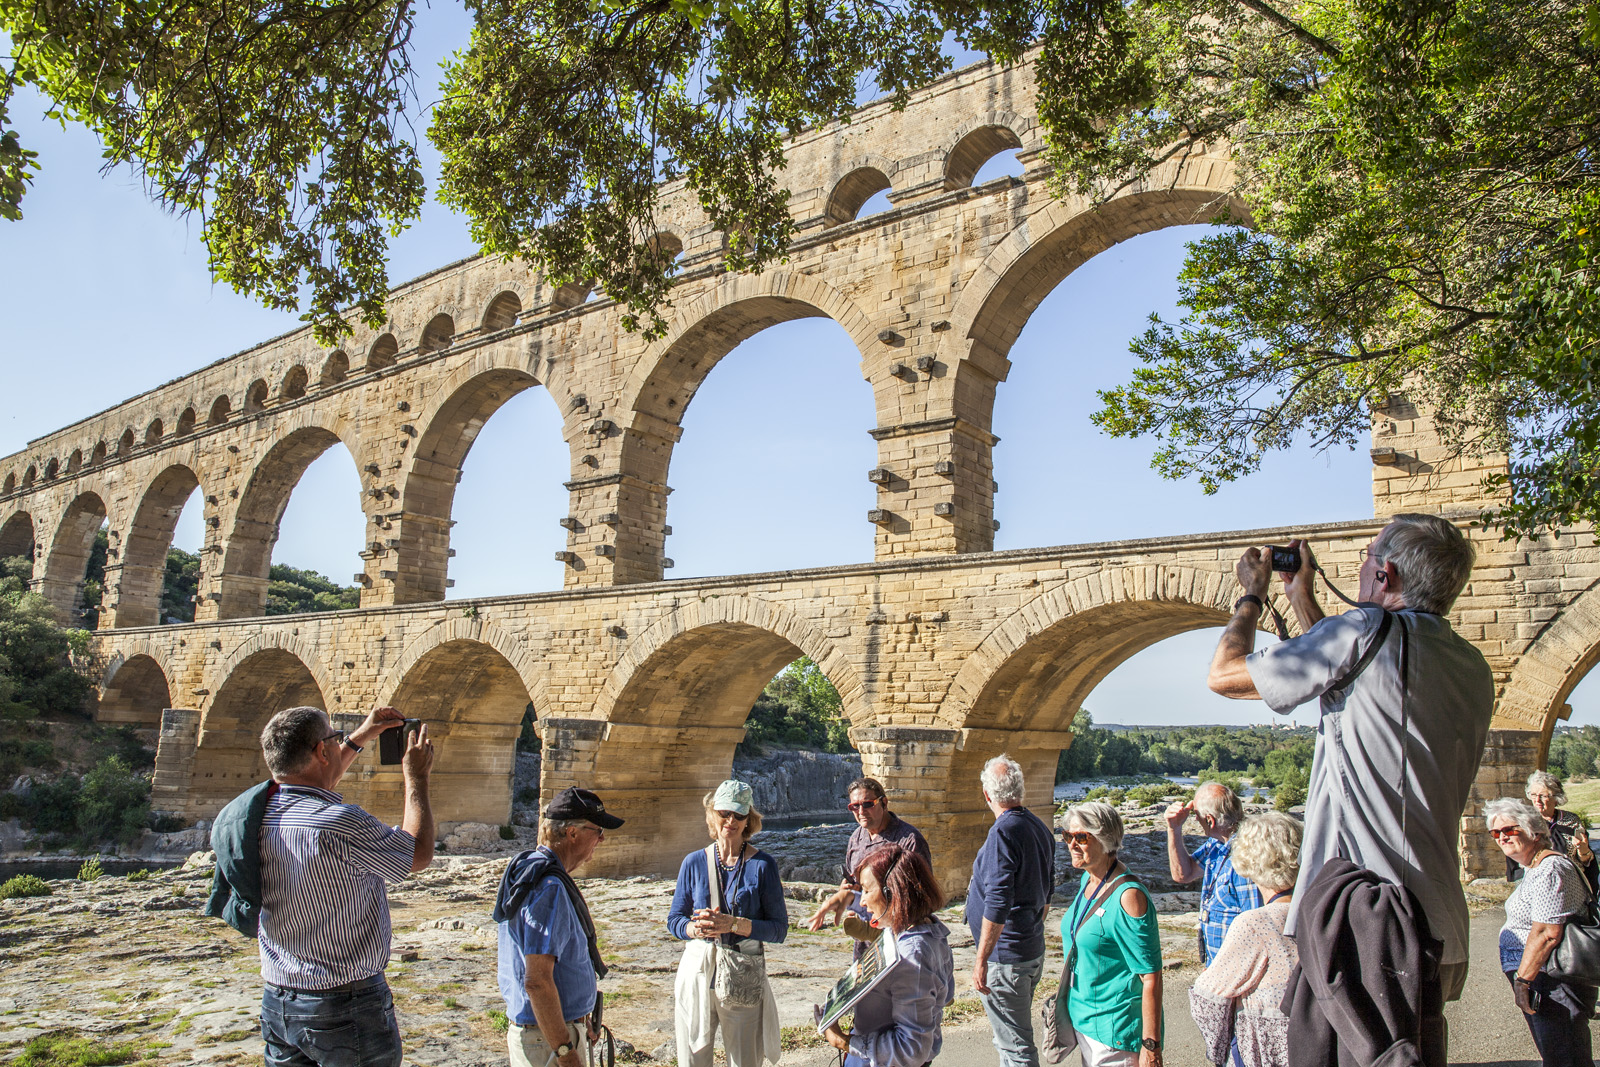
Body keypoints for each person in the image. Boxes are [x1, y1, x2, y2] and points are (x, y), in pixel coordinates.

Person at [1207, 512, 1494, 1007]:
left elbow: (1225, 675)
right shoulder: (1470, 663)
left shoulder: (1365, 628)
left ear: (1387, 576)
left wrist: (1251, 597)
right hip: (1439, 920)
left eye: (1366, 559)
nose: (1361, 569)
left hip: (1368, 925)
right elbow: (1348, 673)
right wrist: (1301, 595)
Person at [251, 705, 434, 1067]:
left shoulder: (258, 814)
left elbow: (314, 784)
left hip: (278, 999)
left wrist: (359, 737)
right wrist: (416, 779)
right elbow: (417, 853)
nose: (339, 745)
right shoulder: (340, 825)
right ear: (321, 752)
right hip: (345, 1004)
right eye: (334, 740)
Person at [494, 787, 623, 1067]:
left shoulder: (532, 873)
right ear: (572, 833)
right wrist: (565, 1052)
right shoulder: (549, 888)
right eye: (597, 831)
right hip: (548, 1041)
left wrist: (581, 1014)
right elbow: (537, 981)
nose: (601, 839)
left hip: (546, 1033)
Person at [667, 780, 787, 1067]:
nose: (730, 821)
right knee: (692, 1057)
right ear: (712, 814)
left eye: (738, 815)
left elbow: (779, 929)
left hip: (741, 968)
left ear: (749, 819)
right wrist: (694, 929)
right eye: (723, 813)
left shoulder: (763, 866)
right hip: (698, 967)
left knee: (744, 1059)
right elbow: (674, 920)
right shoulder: (693, 862)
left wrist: (734, 924)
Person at [1489, 797, 1598, 1067]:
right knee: (1560, 1055)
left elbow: (1547, 933)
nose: (1501, 837)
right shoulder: (1536, 868)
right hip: (1545, 978)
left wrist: (1523, 981)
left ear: (1534, 830)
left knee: (1565, 1057)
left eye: (1509, 830)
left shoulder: (1550, 869)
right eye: (1495, 832)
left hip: (1552, 979)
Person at [822, 847, 955, 1066]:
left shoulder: (912, 955)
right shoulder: (929, 929)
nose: (862, 902)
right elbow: (946, 995)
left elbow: (911, 1049)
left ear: (892, 892)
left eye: (866, 891)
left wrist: (845, 1042)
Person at [1188, 812, 1303, 1067]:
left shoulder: (1255, 924)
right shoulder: (1322, 910)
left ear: (1250, 860)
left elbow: (1207, 999)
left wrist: (1221, 1052)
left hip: (1268, 1052)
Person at [967, 754, 1056, 1067]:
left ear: (987, 795)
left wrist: (981, 960)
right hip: (1028, 950)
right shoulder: (1039, 827)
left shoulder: (1003, 832)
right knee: (1007, 1041)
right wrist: (1030, 928)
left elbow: (999, 899)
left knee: (1016, 1048)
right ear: (1020, 790)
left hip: (1006, 960)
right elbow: (1047, 893)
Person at [1058, 801, 1163, 1067]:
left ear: (1105, 840)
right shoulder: (1089, 880)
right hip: (1085, 1022)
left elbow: (1151, 976)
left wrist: (1150, 1046)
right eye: (1067, 836)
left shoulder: (1129, 896)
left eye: (1081, 837)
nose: (1071, 844)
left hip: (1115, 1030)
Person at [806, 776, 932, 956]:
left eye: (867, 804)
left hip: (903, 943)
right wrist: (847, 892)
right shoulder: (856, 838)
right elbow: (853, 882)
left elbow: (923, 898)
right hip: (865, 945)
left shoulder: (909, 840)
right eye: (854, 806)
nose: (860, 811)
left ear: (884, 803)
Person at [1163, 782, 1261, 966]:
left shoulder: (1245, 856)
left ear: (1210, 820)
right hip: (1219, 969)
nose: (1195, 820)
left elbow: (1256, 927)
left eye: (1196, 815)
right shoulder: (1215, 846)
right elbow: (1183, 874)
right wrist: (1173, 829)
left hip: (1237, 974)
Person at [1512, 771, 1598, 892]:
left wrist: (1583, 850)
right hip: (1535, 886)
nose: (1537, 800)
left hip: (1571, 886)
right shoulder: (1524, 822)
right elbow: (1515, 859)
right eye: (1533, 794)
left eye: (1543, 795)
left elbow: (1586, 861)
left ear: (1556, 798)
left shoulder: (1571, 821)